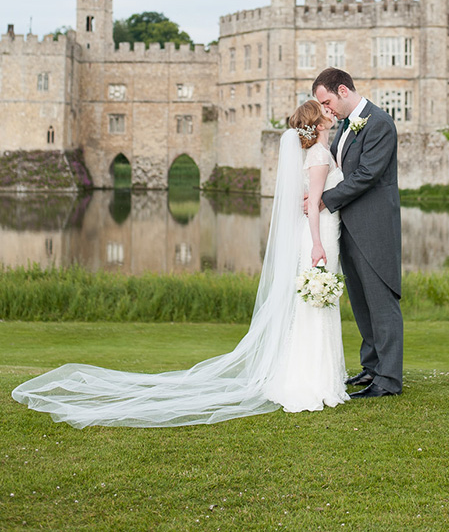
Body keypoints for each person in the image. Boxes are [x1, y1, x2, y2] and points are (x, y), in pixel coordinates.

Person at [12, 102, 348, 427]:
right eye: (323, 113)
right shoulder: (318, 156)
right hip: (318, 237)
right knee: (314, 307)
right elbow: (315, 204)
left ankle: (317, 376)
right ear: (317, 125)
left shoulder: (315, 154)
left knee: (313, 306)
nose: (329, 114)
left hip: (321, 233)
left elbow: (310, 200)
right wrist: (317, 243)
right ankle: (314, 381)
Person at [312, 67, 403, 398]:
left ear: (343, 90)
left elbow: (366, 174)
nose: (326, 110)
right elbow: (340, 170)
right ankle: (372, 368)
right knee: (362, 304)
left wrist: (323, 200)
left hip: (374, 227)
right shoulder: (346, 127)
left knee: (381, 303)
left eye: (327, 101)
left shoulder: (378, 123)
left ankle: (389, 380)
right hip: (349, 227)